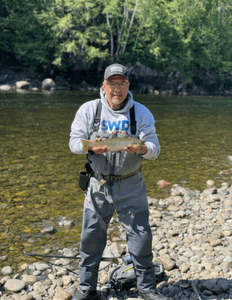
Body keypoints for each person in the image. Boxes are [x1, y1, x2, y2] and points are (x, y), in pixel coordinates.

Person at [69, 64, 170, 300]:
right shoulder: (88, 110)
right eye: (112, 83)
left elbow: (155, 149)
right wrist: (91, 145)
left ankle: (146, 289)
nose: (117, 89)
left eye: (121, 83)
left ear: (128, 86)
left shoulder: (142, 113)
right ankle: (87, 289)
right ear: (103, 86)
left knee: (141, 237)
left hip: (131, 184)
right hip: (97, 184)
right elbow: (74, 143)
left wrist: (143, 148)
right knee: (91, 237)